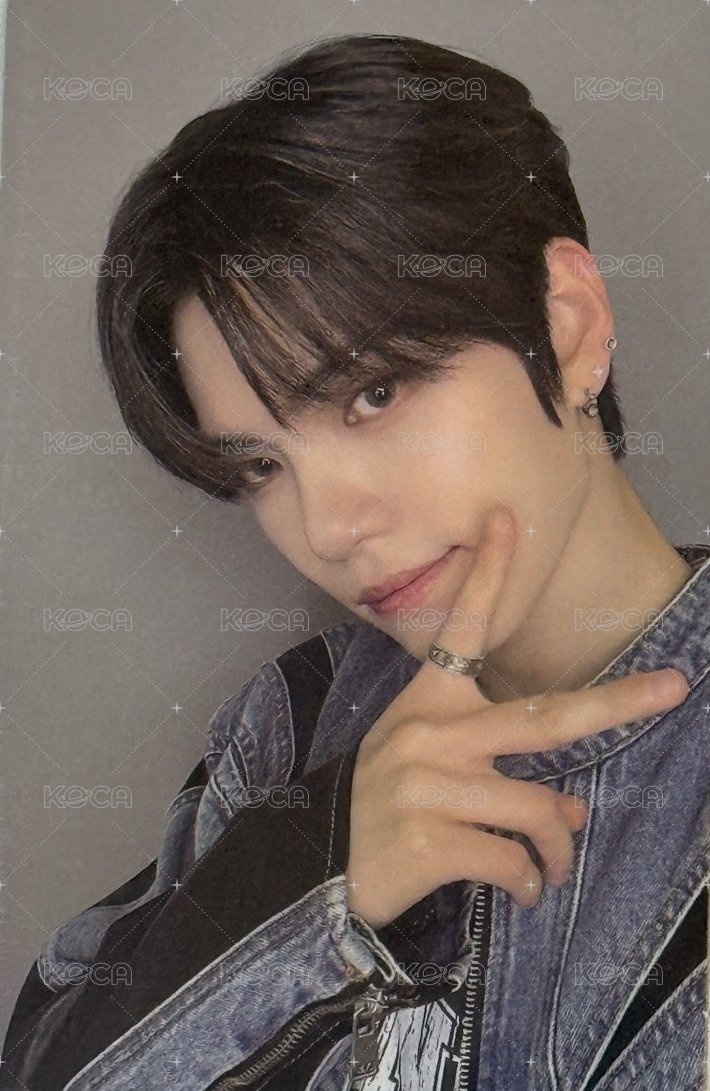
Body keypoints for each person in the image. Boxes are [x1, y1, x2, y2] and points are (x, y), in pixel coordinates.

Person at [2, 31, 708, 1091]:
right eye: (259, 465)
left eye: (373, 393)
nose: (327, 527)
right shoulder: (288, 728)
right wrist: (313, 881)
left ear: (567, 327)